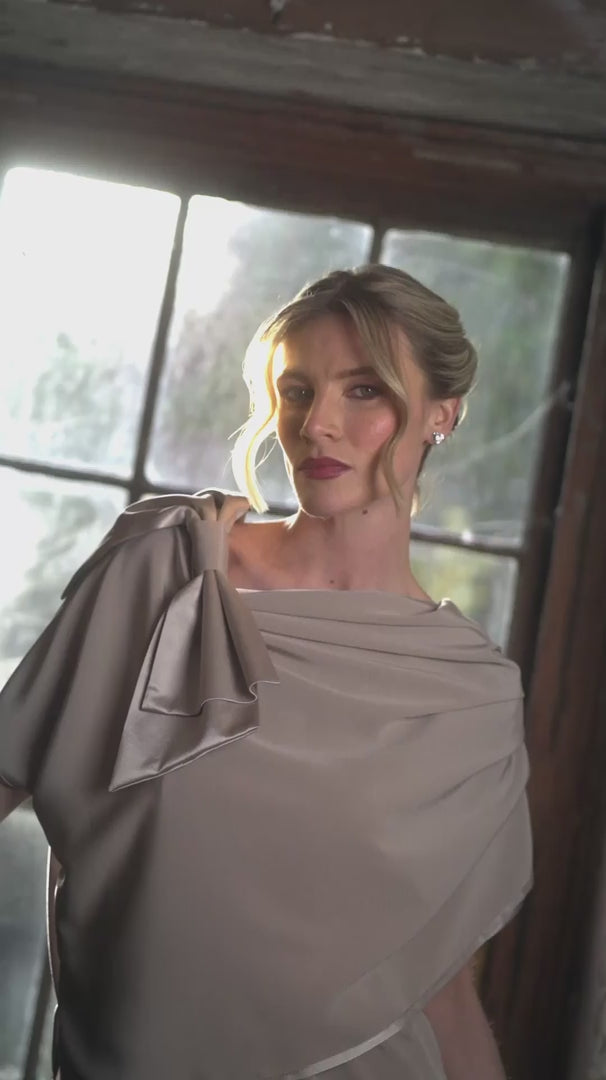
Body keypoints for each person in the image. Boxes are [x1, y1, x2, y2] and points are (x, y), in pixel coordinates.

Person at [0, 265, 533, 1080]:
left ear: (441, 413)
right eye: (296, 390)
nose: (318, 425)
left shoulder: (472, 697)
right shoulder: (170, 566)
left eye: (364, 391)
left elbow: (441, 994)